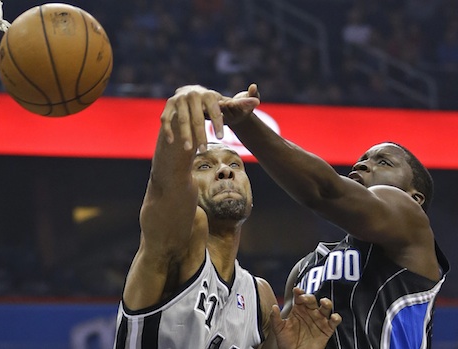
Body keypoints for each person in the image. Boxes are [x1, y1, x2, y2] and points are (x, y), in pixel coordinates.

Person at [160, 84, 450, 349]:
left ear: (416, 199)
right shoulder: (308, 266)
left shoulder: (413, 231)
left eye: (383, 162)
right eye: (361, 160)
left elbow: (325, 192)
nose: (361, 165)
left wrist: (245, 123)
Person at [112, 88, 341, 349]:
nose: (224, 171)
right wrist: (183, 105)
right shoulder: (176, 244)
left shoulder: (260, 296)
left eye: (234, 165)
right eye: (205, 166)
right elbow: (165, 188)